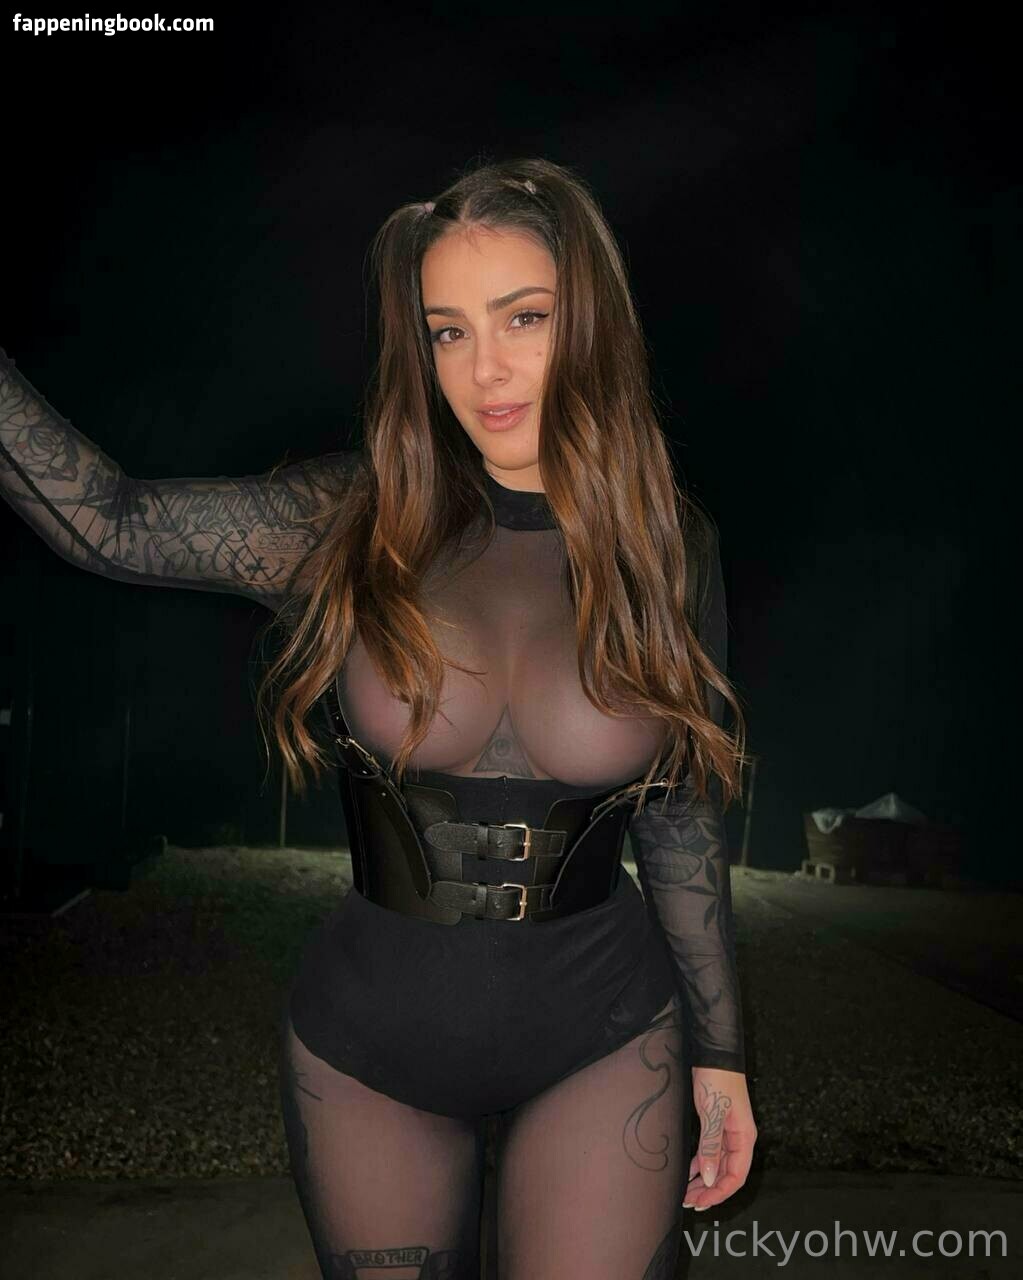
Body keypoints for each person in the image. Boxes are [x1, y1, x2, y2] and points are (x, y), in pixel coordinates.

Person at [0, 157, 756, 1279]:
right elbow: (109, 519)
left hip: (605, 1038)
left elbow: (679, 820)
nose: (484, 368)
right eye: (449, 331)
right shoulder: (358, 518)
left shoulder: (667, 546)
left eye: (524, 318)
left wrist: (722, 1053)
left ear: (590, 320)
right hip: (371, 1056)